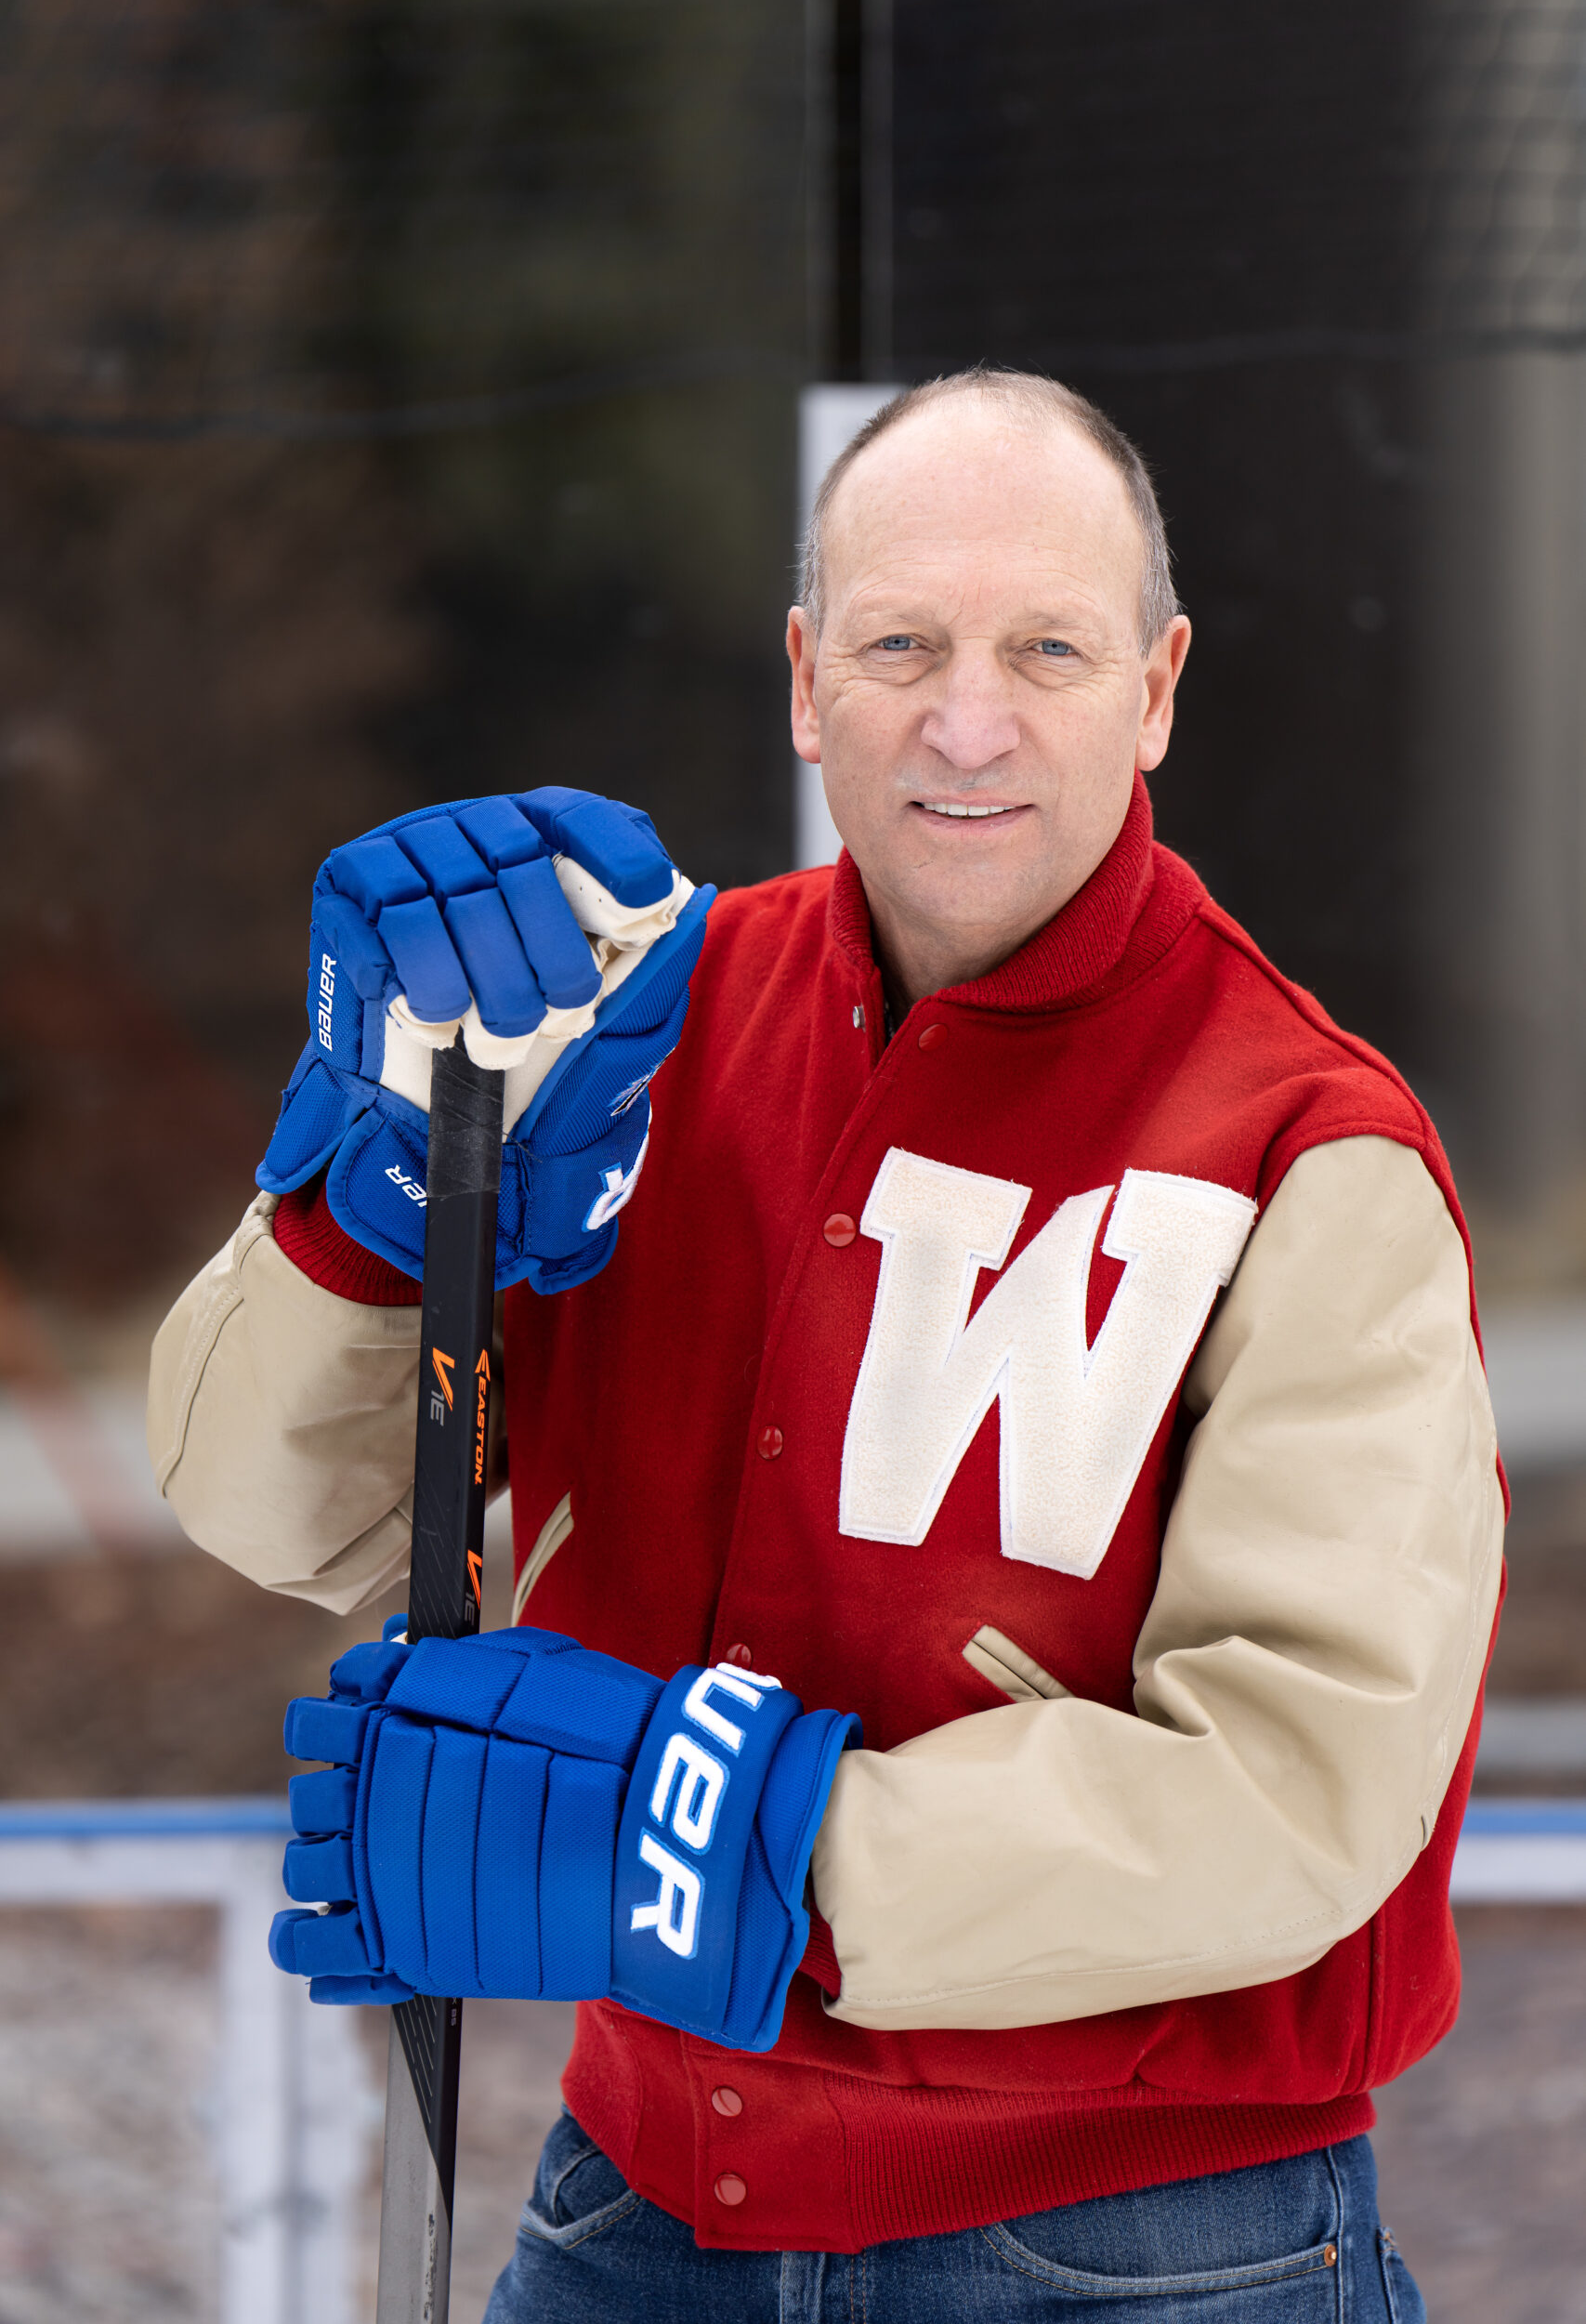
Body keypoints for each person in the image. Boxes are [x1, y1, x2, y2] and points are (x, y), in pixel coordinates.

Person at [148, 369, 1501, 2322]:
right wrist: (372, 1204)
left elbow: (1294, 1793)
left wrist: (732, 1845)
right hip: (640, 2220)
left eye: (1046, 645)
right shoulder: (624, 1025)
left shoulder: (1307, 1149)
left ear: (1155, 686)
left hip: (1141, 2260)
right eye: (897, 644)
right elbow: (281, 1510)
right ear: (803, 680)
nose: (966, 722)